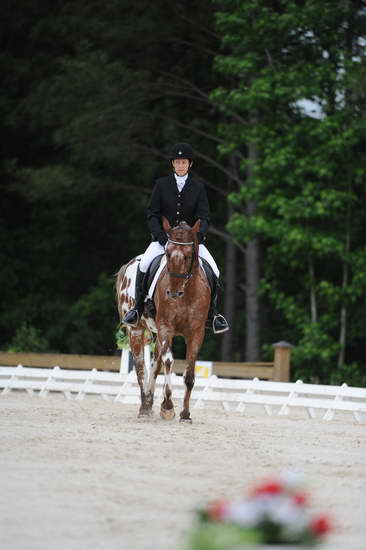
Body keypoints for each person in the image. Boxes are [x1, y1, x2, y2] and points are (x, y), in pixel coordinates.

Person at [123, 142, 229, 334]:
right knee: (144, 264)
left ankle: (214, 315)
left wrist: (198, 236)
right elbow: (152, 214)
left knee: (215, 269)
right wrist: (161, 237)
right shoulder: (161, 185)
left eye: (184, 162)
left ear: (190, 164)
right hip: (165, 240)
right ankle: (137, 308)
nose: (181, 165)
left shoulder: (198, 187)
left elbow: (204, 216)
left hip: (190, 243)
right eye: (177, 162)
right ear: (173, 164)